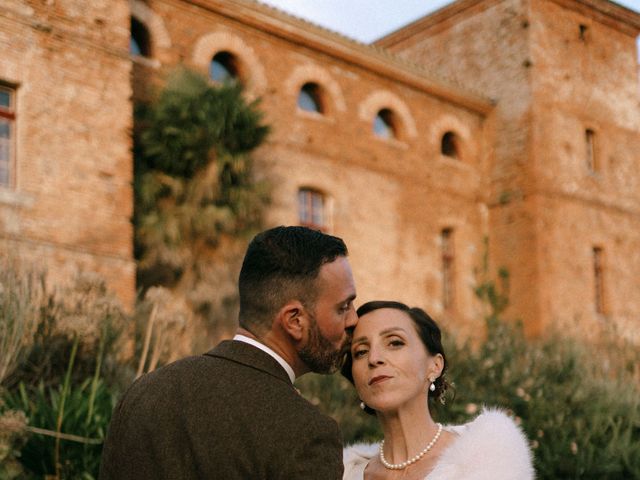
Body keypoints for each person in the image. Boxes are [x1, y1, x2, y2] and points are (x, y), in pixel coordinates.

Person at [100, 226, 358, 480]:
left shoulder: (141, 393)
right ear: (294, 321)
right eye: (343, 307)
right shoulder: (307, 433)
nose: (353, 319)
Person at [341, 301, 534, 480]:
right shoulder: (344, 473)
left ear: (435, 365)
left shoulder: (489, 453)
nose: (374, 358)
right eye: (361, 351)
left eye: (395, 342)